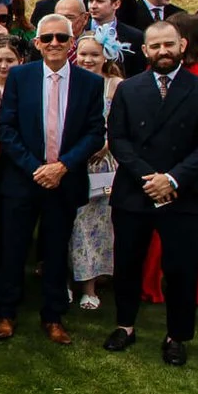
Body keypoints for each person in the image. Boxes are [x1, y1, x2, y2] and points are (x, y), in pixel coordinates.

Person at [102, 20, 198, 366]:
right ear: (145, 50)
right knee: (127, 263)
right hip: (136, 189)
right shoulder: (129, 89)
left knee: (182, 269)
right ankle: (125, 325)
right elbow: (118, 139)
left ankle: (177, 336)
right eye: (155, 46)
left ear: (182, 45)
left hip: (184, 193)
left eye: (169, 44)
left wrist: (172, 179)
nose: (163, 52)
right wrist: (149, 177)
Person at [0, 13, 103, 345]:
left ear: (71, 43)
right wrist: (35, 168)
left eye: (61, 38)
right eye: (48, 38)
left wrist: (62, 166)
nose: (55, 43)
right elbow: (6, 128)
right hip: (23, 179)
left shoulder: (89, 83)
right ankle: (6, 313)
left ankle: (53, 316)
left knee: (56, 250)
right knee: (13, 248)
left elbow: (95, 133)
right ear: (37, 43)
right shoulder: (20, 76)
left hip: (64, 180)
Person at [68, 35, 123, 311]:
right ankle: (66, 281)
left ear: (106, 57)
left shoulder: (116, 85)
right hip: (73, 159)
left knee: (97, 225)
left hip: (104, 163)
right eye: (83, 54)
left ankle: (90, 286)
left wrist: (106, 143)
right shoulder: (70, 81)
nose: (87, 60)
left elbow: (124, 123)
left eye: (94, 55)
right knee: (70, 223)